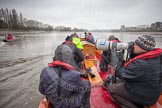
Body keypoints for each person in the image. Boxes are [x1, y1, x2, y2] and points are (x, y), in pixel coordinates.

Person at [103, 35, 162, 108]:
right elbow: (136, 68)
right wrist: (132, 53)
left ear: (143, 48)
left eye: (136, 44)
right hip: (152, 93)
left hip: (145, 97)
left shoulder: (141, 64)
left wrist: (116, 65)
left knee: (111, 89)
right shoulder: (156, 56)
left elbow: (123, 75)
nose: (133, 46)